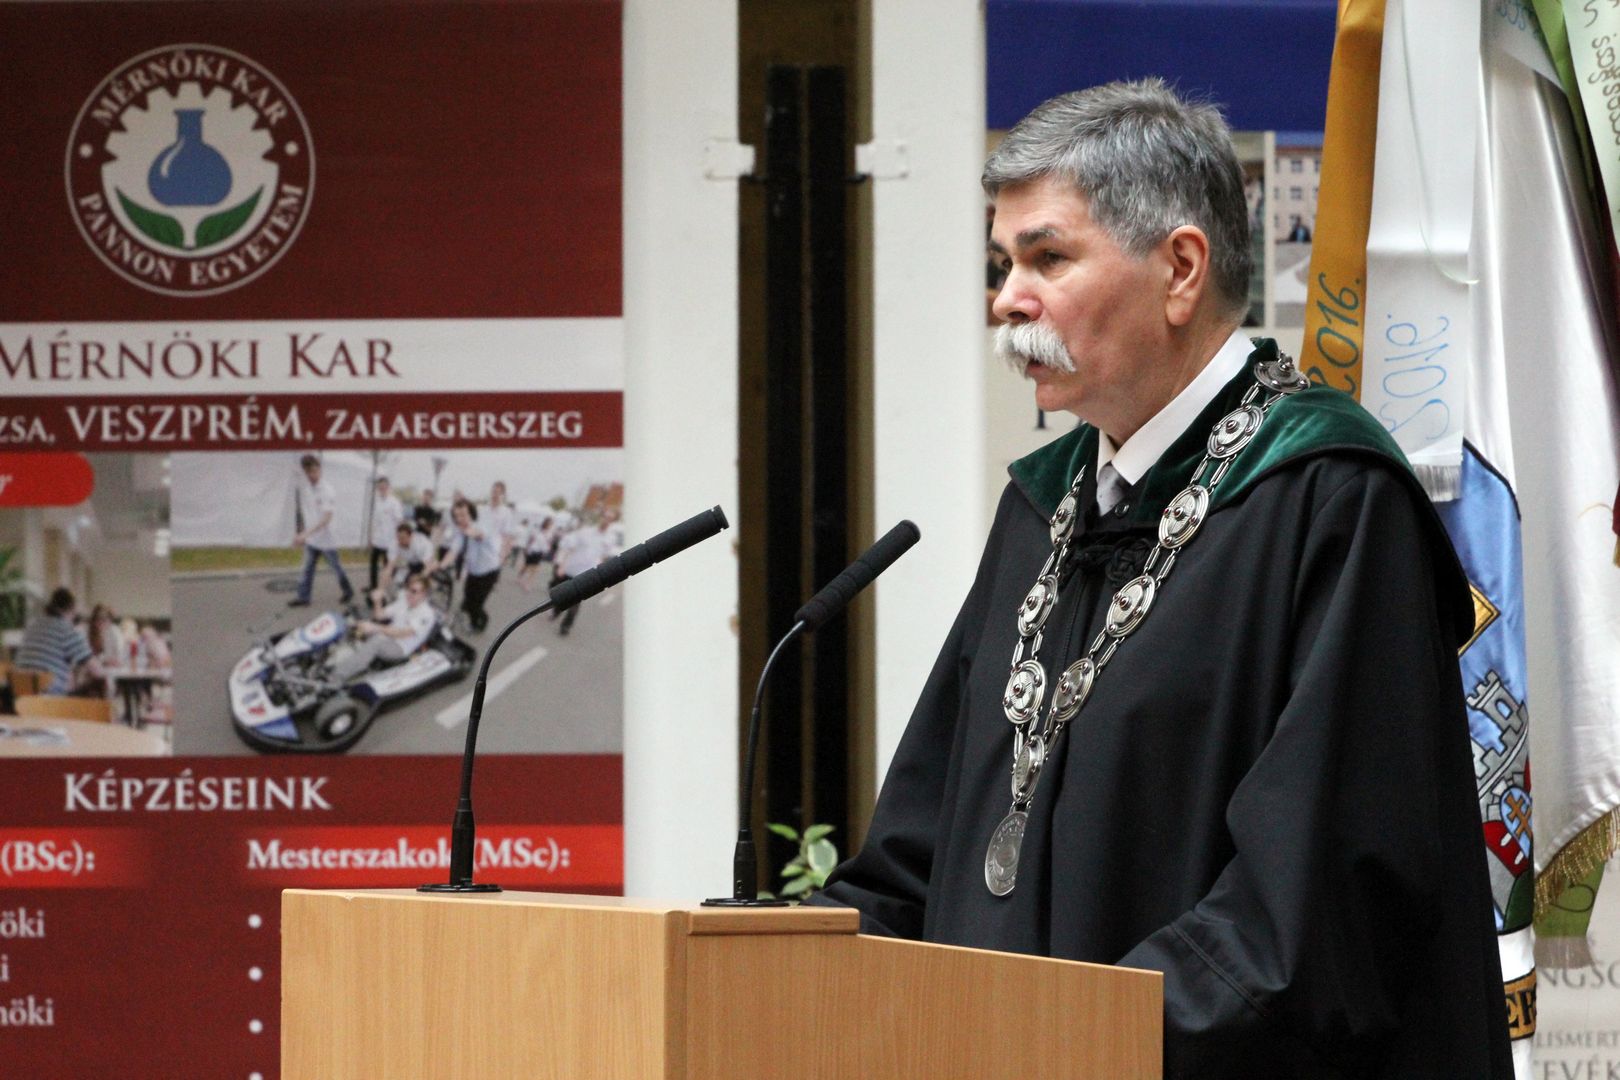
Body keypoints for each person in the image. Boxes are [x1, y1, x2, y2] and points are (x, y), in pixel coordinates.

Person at [812, 80, 1510, 1078]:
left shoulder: (1331, 499)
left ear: (1180, 269)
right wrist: (780, 962)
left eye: (1047, 258)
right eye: (1003, 263)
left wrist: (1071, 1045)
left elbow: (1321, 903)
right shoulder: (1043, 510)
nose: (1007, 299)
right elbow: (922, 857)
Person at [330, 574, 438, 683]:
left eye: (414, 591)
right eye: (408, 589)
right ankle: (329, 657)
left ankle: (336, 677)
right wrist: (377, 601)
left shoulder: (426, 614)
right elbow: (379, 616)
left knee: (377, 641)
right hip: (387, 635)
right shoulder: (404, 601)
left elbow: (401, 633)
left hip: (400, 647)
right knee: (355, 622)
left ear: (423, 594)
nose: (409, 593)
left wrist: (375, 628)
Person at [289, 454, 354, 608]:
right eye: (308, 472)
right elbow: (308, 513)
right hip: (313, 539)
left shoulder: (327, 490)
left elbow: (326, 518)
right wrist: (302, 532)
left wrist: (305, 534)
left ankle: (348, 591)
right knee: (307, 569)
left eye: (314, 471)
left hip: (327, 539)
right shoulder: (307, 489)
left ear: (319, 470)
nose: (311, 475)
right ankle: (303, 597)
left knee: (336, 568)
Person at [15, 587, 100, 696]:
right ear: (72, 609)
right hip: (49, 699)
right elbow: (96, 671)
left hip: (20, 696)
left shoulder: (33, 625)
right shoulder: (68, 631)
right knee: (93, 693)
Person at [436, 497, 501, 632]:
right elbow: (453, 551)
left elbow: (480, 534)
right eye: (456, 516)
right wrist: (441, 565)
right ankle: (472, 615)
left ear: (471, 513)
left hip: (488, 572)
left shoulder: (481, 525)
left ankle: (480, 623)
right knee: (467, 599)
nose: (460, 519)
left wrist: (471, 532)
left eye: (463, 515)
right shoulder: (460, 531)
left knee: (476, 603)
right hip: (473, 571)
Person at [550, 514, 615, 636]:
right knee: (563, 595)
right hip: (571, 569)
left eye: (610, 519)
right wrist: (562, 566)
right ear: (601, 517)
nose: (606, 520)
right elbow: (570, 548)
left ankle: (566, 626)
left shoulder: (610, 539)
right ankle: (556, 611)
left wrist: (599, 574)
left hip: (587, 575)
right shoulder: (585, 532)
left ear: (612, 521)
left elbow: (604, 557)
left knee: (576, 602)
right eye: (605, 517)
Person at [379, 520, 434, 598]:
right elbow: (389, 568)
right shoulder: (395, 543)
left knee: (419, 583)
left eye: (403, 538)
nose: (400, 541)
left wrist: (418, 580)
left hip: (425, 562)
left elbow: (427, 567)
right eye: (398, 538)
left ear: (411, 536)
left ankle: (429, 594)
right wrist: (380, 589)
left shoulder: (421, 544)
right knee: (405, 584)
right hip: (412, 562)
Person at [367, 476, 404, 592]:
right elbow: (375, 521)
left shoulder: (394, 502)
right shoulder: (377, 502)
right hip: (377, 540)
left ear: (388, 487)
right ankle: (373, 587)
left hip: (389, 541)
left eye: (383, 487)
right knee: (373, 563)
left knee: (388, 566)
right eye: (380, 487)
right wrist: (371, 538)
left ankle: (402, 583)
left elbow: (400, 521)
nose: (381, 489)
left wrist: (399, 539)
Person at [518, 514, 559, 592]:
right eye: (549, 523)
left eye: (551, 524)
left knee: (535, 569)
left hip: (540, 552)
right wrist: (526, 548)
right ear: (545, 523)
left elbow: (549, 543)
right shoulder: (537, 530)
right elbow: (531, 539)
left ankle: (527, 583)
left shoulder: (550, 533)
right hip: (532, 550)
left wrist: (547, 550)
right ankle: (520, 577)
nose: (550, 525)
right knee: (526, 566)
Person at [86, 604, 126, 669]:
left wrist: (109, 661)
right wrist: (104, 661)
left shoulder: (114, 631)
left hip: (112, 669)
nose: (100, 622)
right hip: (94, 669)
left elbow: (119, 656)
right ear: (93, 621)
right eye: (97, 619)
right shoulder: (88, 632)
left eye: (104, 619)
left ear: (110, 620)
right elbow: (87, 657)